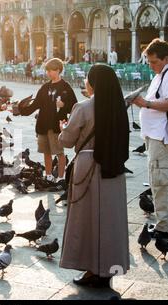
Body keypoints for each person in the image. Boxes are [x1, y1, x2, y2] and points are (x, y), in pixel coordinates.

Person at [59, 64, 130, 287]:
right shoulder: (119, 108)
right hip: (114, 169)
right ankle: (108, 267)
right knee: (110, 220)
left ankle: (91, 268)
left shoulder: (83, 107)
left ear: (93, 83)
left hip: (88, 167)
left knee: (86, 219)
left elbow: (67, 141)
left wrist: (64, 127)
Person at [132, 39, 168, 239]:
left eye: (154, 62)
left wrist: (145, 103)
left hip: (162, 138)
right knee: (159, 182)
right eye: (148, 62)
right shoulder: (163, 73)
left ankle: (167, 227)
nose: (151, 66)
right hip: (155, 137)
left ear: (165, 58)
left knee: (163, 182)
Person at [18, 58, 77, 188]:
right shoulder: (45, 87)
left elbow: (75, 107)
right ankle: (49, 175)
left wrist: (64, 105)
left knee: (59, 152)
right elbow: (35, 105)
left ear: (59, 70)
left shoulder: (66, 87)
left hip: (57, 125)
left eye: (52, 70)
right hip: (43, 125)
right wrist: (20, 110)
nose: (49, 73)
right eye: (48, 70)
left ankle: (61, 177)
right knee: (46, 152)